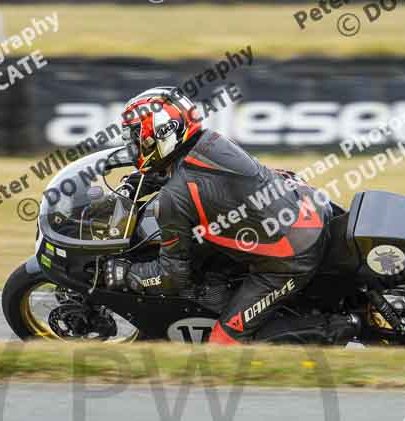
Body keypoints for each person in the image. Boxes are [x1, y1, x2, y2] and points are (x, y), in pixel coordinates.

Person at [103, 87, 358, 344]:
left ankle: (335, 328)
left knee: (223, 343)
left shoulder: (173, 199)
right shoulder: (210, 142)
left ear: (160, 132)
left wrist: (127, 275)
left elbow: (173, 277)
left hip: (291, 259)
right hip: (306, 208)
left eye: (136, 137)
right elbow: (181, 177)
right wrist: (135, 183)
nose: (132, 146)